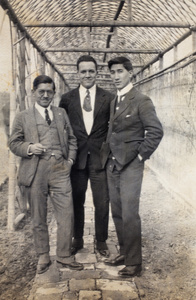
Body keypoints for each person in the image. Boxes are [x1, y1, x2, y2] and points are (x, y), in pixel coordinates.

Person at [9, 75, 83, 274]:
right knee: (38, 215)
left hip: (60, 170)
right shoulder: (23, 116)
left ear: (54, 93)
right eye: (41, 91)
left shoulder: (61, 114)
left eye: (49, 92)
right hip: (35, 171)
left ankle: (64, 255)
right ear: (33, 92)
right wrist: (30, 147)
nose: (45, 95)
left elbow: (72, 140)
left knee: (67, 213)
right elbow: (13, 143)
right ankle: (43, 255)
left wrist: (69, 161)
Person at [101, 56, 164, 277]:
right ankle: (124, 252)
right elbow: (113, 131)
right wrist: (108, 156)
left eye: (119, 71)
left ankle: (134, 263)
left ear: (130, 73)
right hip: (113, 164)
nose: (115, 76)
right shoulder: (114, 101)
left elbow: (155, 132)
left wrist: (140, 158)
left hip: (131, 166)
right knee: (117, 212)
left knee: (129, 213)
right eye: (112, 73)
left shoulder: (141, 100)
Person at [59, 55, 114, 257]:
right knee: (76, 200)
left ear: (97, 73)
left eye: (91, 71)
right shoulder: (66, 99)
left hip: (100, 159)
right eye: (83, 71)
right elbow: (62, 129)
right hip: (76, 159)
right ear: (78, 73)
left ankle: (101, 241)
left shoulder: (108, 98)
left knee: (102, 201)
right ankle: (78, 239)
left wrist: (109, 153)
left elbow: (113, 128)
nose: (87, 75)